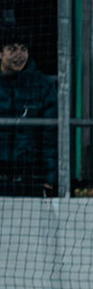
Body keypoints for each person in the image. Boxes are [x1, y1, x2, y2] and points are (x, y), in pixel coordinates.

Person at [0, 24, 54, 196]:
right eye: (12, 49)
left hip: (30, 174)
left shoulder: (43, 85)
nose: (19, 55)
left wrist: (50, 176)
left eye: (23, 49)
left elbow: (51, 134)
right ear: (1, 53)